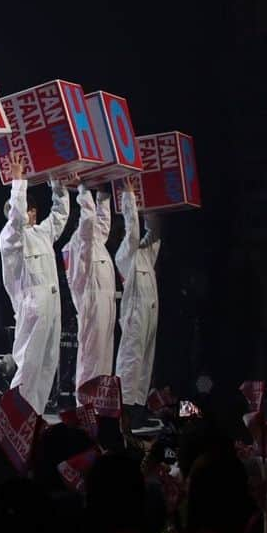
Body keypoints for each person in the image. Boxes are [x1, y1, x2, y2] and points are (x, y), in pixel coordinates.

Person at [0, 156, 70, 415]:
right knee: (29, 365)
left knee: (47, 365)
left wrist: (57, 183)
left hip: (52, 305)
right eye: (28, 208)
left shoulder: (42, 234)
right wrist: (18, 181)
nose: (33, 212)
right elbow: (17, 218)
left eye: (33, 209)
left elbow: (60, 215)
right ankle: (14, 418)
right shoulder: (10, 237)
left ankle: (33, 418)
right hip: (32, 305)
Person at [114, 176, 162, 420]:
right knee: (131, 359)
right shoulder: (124, 256)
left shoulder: (145, 254)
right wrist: (130, 196)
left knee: (145, 359)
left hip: (150, 310)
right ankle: (125, 408)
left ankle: (138, 406)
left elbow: (153, 233)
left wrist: (151, 203)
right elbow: (132, 231)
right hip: (135, 311)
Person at [61, 183, 117, 392]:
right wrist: (84, 190)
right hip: (91, 302)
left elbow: (102, 224)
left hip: (105, 303)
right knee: (92, 358)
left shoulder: (97, 242)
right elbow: (90, 221)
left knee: (103, 357)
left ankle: (99, 405)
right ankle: (84, 407)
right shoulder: (79, 242)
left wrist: (103, 193)